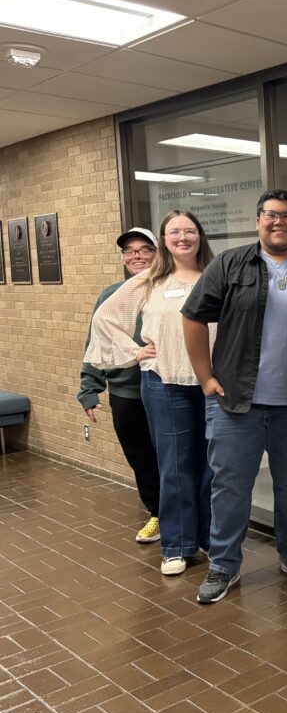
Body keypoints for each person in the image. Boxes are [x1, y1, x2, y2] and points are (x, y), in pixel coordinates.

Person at [182, 189, 287, 604]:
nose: (277, 222)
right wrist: (205, 378)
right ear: (258, 221)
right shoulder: (230, 263)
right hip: (236, 402)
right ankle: (224, 565)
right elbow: (192, 316)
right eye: (269, 215)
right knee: (230, 487)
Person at [86, 212, 215, 575]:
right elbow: (105, 318)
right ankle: (177, 546)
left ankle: (208, 539)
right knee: (174, 466)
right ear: (165, 239)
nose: (183, 237)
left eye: (190, 230)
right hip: (164, 383)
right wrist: (133, 352)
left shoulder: (216, 275)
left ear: (200, 236)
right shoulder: (150, 279)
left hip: (211, 384)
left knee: (210, 468)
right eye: (175, 232)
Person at [77, 227, 161, 544]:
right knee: (140, 457)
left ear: (157, 254)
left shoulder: (169, 290)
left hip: (168, 389)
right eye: (130, 251)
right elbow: (95, 343)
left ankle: (185, 516)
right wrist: (89, 388)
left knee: (173, 456)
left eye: (144, 249)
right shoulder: (110, 295)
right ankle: (158, 514)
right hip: (126, 392)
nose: (136, 256)